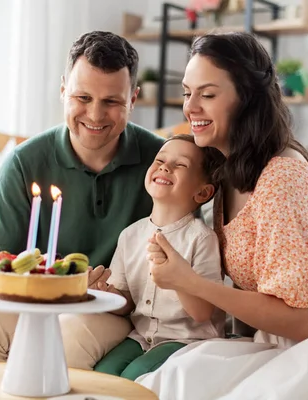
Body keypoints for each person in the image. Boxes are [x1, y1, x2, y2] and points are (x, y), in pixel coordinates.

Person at [135, 32, 308, 400]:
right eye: (188, 93)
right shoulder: (225, 173)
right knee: (176, 377)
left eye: (208, 94)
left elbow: (302, 319)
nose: (191, 107)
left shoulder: (284, 177)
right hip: (282, 336)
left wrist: (192, 282)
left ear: (247, 100)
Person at [0, 31, 165, 369]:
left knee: (70, 334)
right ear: (63, 90)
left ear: (133, 99)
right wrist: (55, 286)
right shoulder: (24, 162)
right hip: (32, 300)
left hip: (112, 310)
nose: (95, 115)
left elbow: (170, 271)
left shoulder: (162, 163)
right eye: (82, 97)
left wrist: (116, 296)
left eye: (111, 101)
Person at [91, 134, 227, 380]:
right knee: (103, 375)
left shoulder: (202, 238)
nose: (165, 167)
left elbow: (202, 313)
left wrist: (177, 278)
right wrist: (106, 294)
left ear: (203, 192)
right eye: (161, 160)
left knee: (135, 376)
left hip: (187, 340)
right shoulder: (130, 235)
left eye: (180, 165)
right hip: (141, 336)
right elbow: (127, 303)